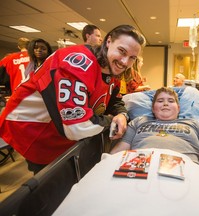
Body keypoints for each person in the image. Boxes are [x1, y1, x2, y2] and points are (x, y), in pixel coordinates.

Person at [0, 24, 146, 174]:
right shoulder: (77, 61)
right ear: (108, 41)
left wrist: (121, 114)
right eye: (122, 51)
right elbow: (77, 127)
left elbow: (114, 99)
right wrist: (109, 120)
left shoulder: (112, 67)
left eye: (132, 58)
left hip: (61, 127)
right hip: (32, 127)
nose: (124, 62)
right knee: (52, 183)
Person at [111, 87, 199, 201]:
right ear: (153, 108)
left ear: (178, 108)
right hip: (140, 168)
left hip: (185, 172)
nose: (165, 104)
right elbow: (117, 153)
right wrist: (105, 165)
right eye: (160, 101)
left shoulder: (194, 125)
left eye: (171, 101)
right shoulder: (139, 122)